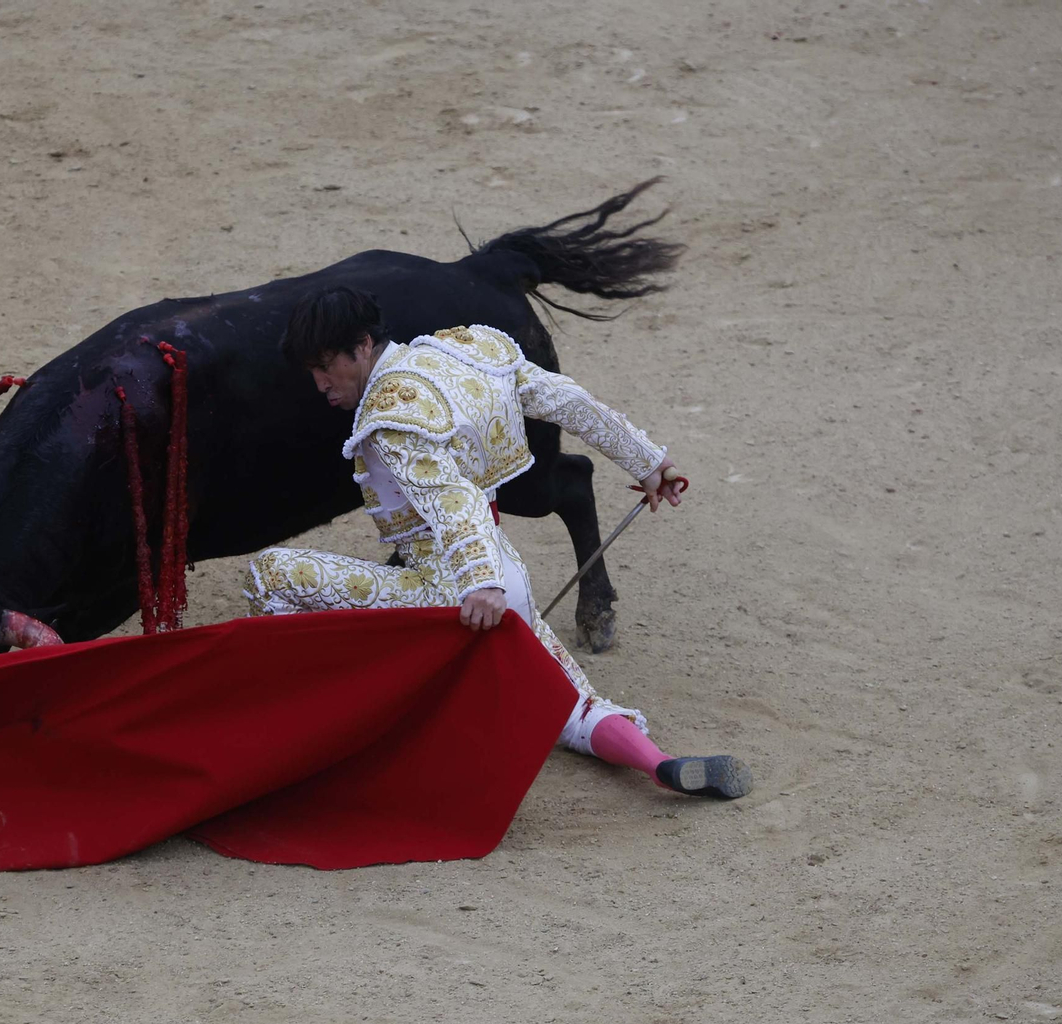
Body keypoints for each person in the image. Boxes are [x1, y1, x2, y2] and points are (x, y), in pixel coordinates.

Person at [243, 288, 751, 800]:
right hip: (510, 579)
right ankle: (659, 764)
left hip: (454, 591)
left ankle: (308, 730)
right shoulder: (461, 352)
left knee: (271, 574)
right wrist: (650, 463)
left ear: (363, 346)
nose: (320, 383)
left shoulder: (391, 417)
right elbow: (567, 400)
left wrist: (479, 584)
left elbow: (453, 500)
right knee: (574, 706)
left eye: (325, 365)